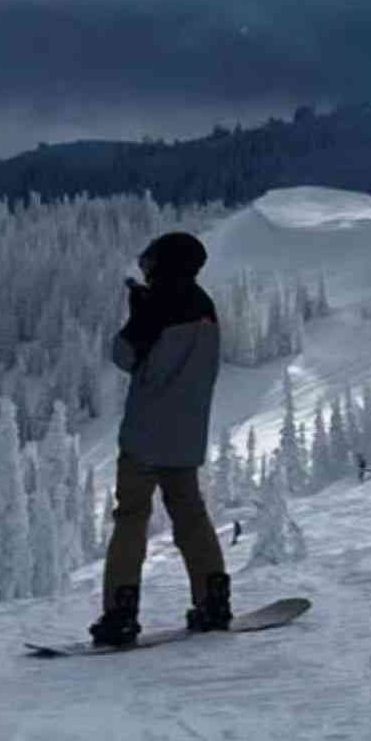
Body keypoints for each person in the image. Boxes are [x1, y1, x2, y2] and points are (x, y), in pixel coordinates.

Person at [91, 232, 231, 650]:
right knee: (191, 516)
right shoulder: (205, 307)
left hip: (145, 435)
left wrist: (137, 314)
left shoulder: (157, 306)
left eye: (150, 263)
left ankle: (120, 613)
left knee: (132, 517)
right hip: (186, 436)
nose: (146, 271)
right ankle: (213, 602)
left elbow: (125, 357)